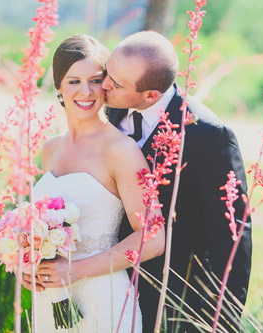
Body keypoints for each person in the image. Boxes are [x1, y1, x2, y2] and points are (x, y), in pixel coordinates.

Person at [103, 31, 252, 332]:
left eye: (116, 84)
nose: (103, 85)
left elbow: (232, 237)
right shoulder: (113, 105)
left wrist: (222, 322)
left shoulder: (208, 136)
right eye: (107, 71)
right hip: (107, 286)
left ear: (150, 96)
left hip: (171, 296)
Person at [23, 34, 165, 332]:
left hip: (103, 299)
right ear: (58, 85)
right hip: (50, 302)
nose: (85, 91)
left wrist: (75, 271)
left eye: (95, 80)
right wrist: (28, 265)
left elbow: (153, 237)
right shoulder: (50, 149)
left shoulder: (122, 150)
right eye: (73, 81)